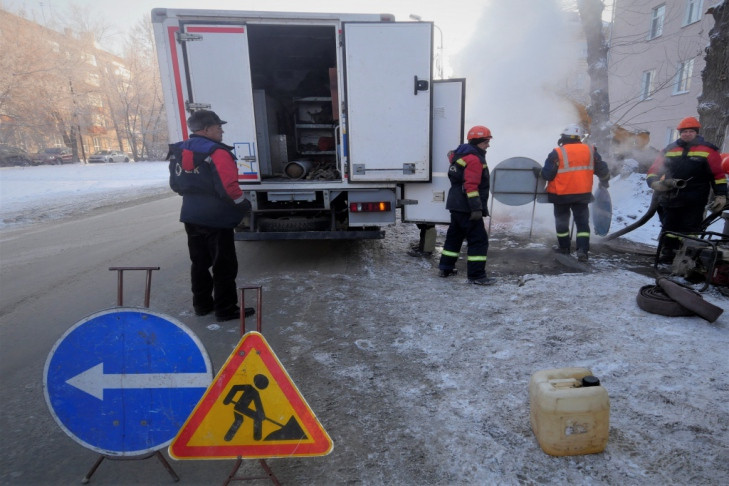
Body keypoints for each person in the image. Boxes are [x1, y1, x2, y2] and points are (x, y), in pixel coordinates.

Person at [168, 110, 255, 322]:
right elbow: (228, 187)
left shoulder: (179, 150)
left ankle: (202, 305)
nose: (221, 130)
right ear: (206, 129)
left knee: (199, 263)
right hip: (216, 218)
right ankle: (226, 309)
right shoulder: (217, 152)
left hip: (190, 214)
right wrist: (243, 204)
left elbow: (175, 184)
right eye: (218, 127)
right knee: (223, 265)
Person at [646, 116, 727, 263]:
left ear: (696, 132)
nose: (687, 134)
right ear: (679, 133)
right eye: (684, 131)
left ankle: (687, 257)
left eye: (690, 131)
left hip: (695, 199)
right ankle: (668, 253)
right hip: (670, 196)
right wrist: (653, 182)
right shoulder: (669, 149)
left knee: (690, 229)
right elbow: (654, 169)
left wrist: (721, 194)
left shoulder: (708, 150)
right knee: (669, 227)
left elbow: (718, 175)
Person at [536, 124, 610, 262]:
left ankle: (564, 248)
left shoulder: (557, 152)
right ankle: (582, 251)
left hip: (561, 195)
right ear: (579, 138)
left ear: (563, 138)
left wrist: (539, 172)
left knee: (562, 223)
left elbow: (547, 175)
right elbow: (603, 170)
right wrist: (605, 182)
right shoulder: (591, 150)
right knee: (582, 224)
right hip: (582, 195)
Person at [437, 125, 494, 285]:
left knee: (454, 237)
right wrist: (476, 208)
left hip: (455, 205)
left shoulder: (460, 156)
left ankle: (445, 267)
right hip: (467, 207)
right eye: (486, 142)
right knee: (479, 240)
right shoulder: (474, 159)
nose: (488, 145)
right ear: (478, 142)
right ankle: (477, 276)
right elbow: (471, 186)